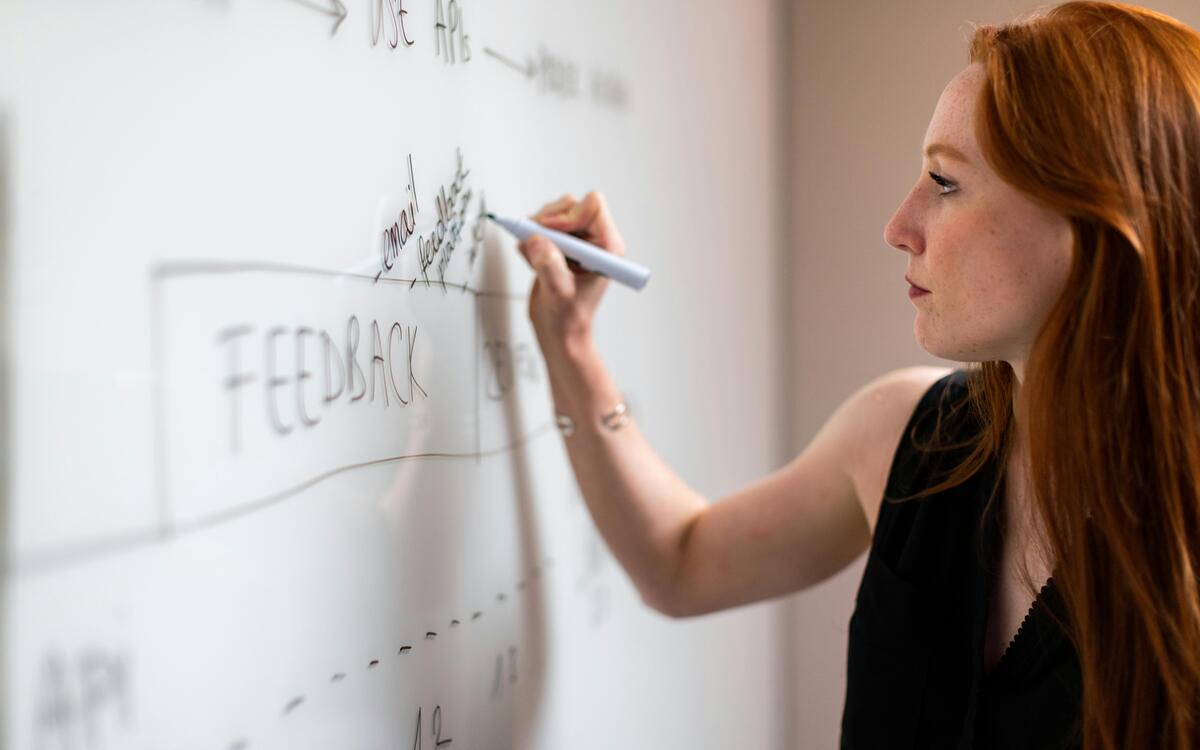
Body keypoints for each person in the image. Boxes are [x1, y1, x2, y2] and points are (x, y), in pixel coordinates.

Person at [513, 2, 1200, 747]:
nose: (899, 225)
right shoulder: (910, 436)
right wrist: (572, 344)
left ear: (1094, 220)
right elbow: (679, 563)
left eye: (944, 181)